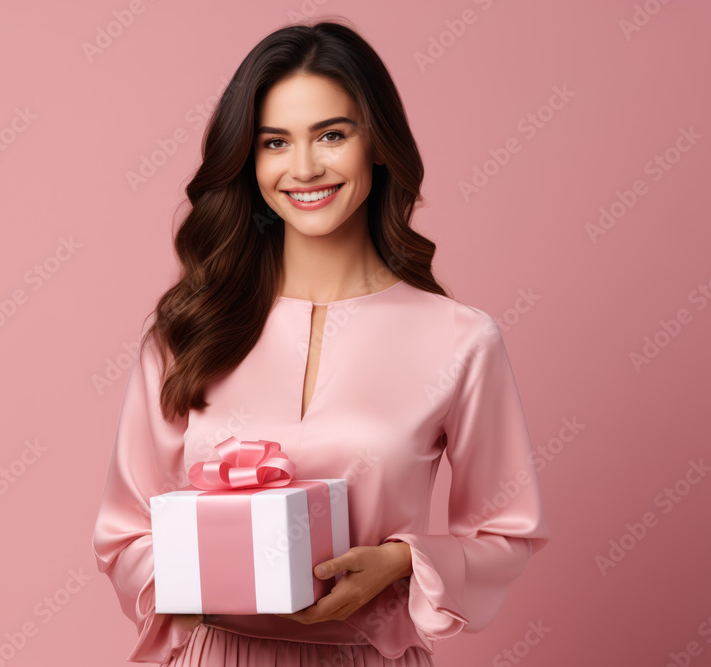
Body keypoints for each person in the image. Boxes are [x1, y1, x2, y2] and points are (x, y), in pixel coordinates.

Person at [92, 17, 549, 667]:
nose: (303, 167)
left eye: (331, 134)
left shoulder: (459, 339)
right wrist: (203, 580)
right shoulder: (186, 330)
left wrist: (400, 562)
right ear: (250, 161)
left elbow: (508, 531)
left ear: (378, 144)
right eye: (275, 142)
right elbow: (123, 532)